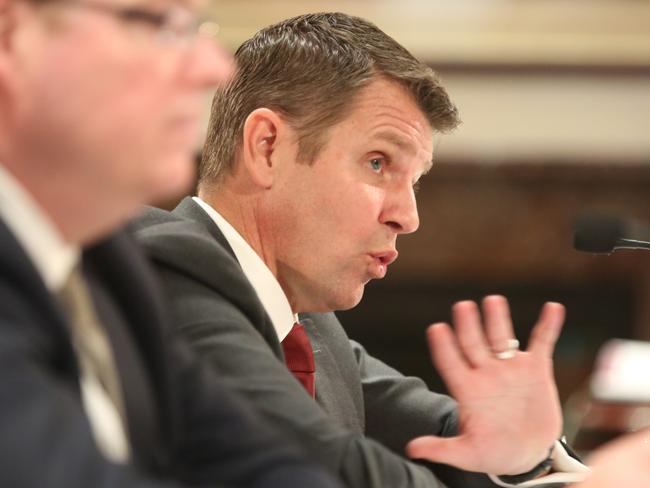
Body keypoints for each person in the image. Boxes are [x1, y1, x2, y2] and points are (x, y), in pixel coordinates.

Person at [134, 12, 589, 488]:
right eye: (378, 163)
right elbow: (320, 467)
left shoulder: (310, 329)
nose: (408, 217)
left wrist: (520, 454)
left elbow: (449, 435)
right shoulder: (169, 269)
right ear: (267, 147)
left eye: (415, 182)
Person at [0, 0, 342, 486]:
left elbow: (250, 457)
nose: (214, 67)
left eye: (196, 27)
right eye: (160, 24)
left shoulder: (106, 253)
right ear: (12, 37)